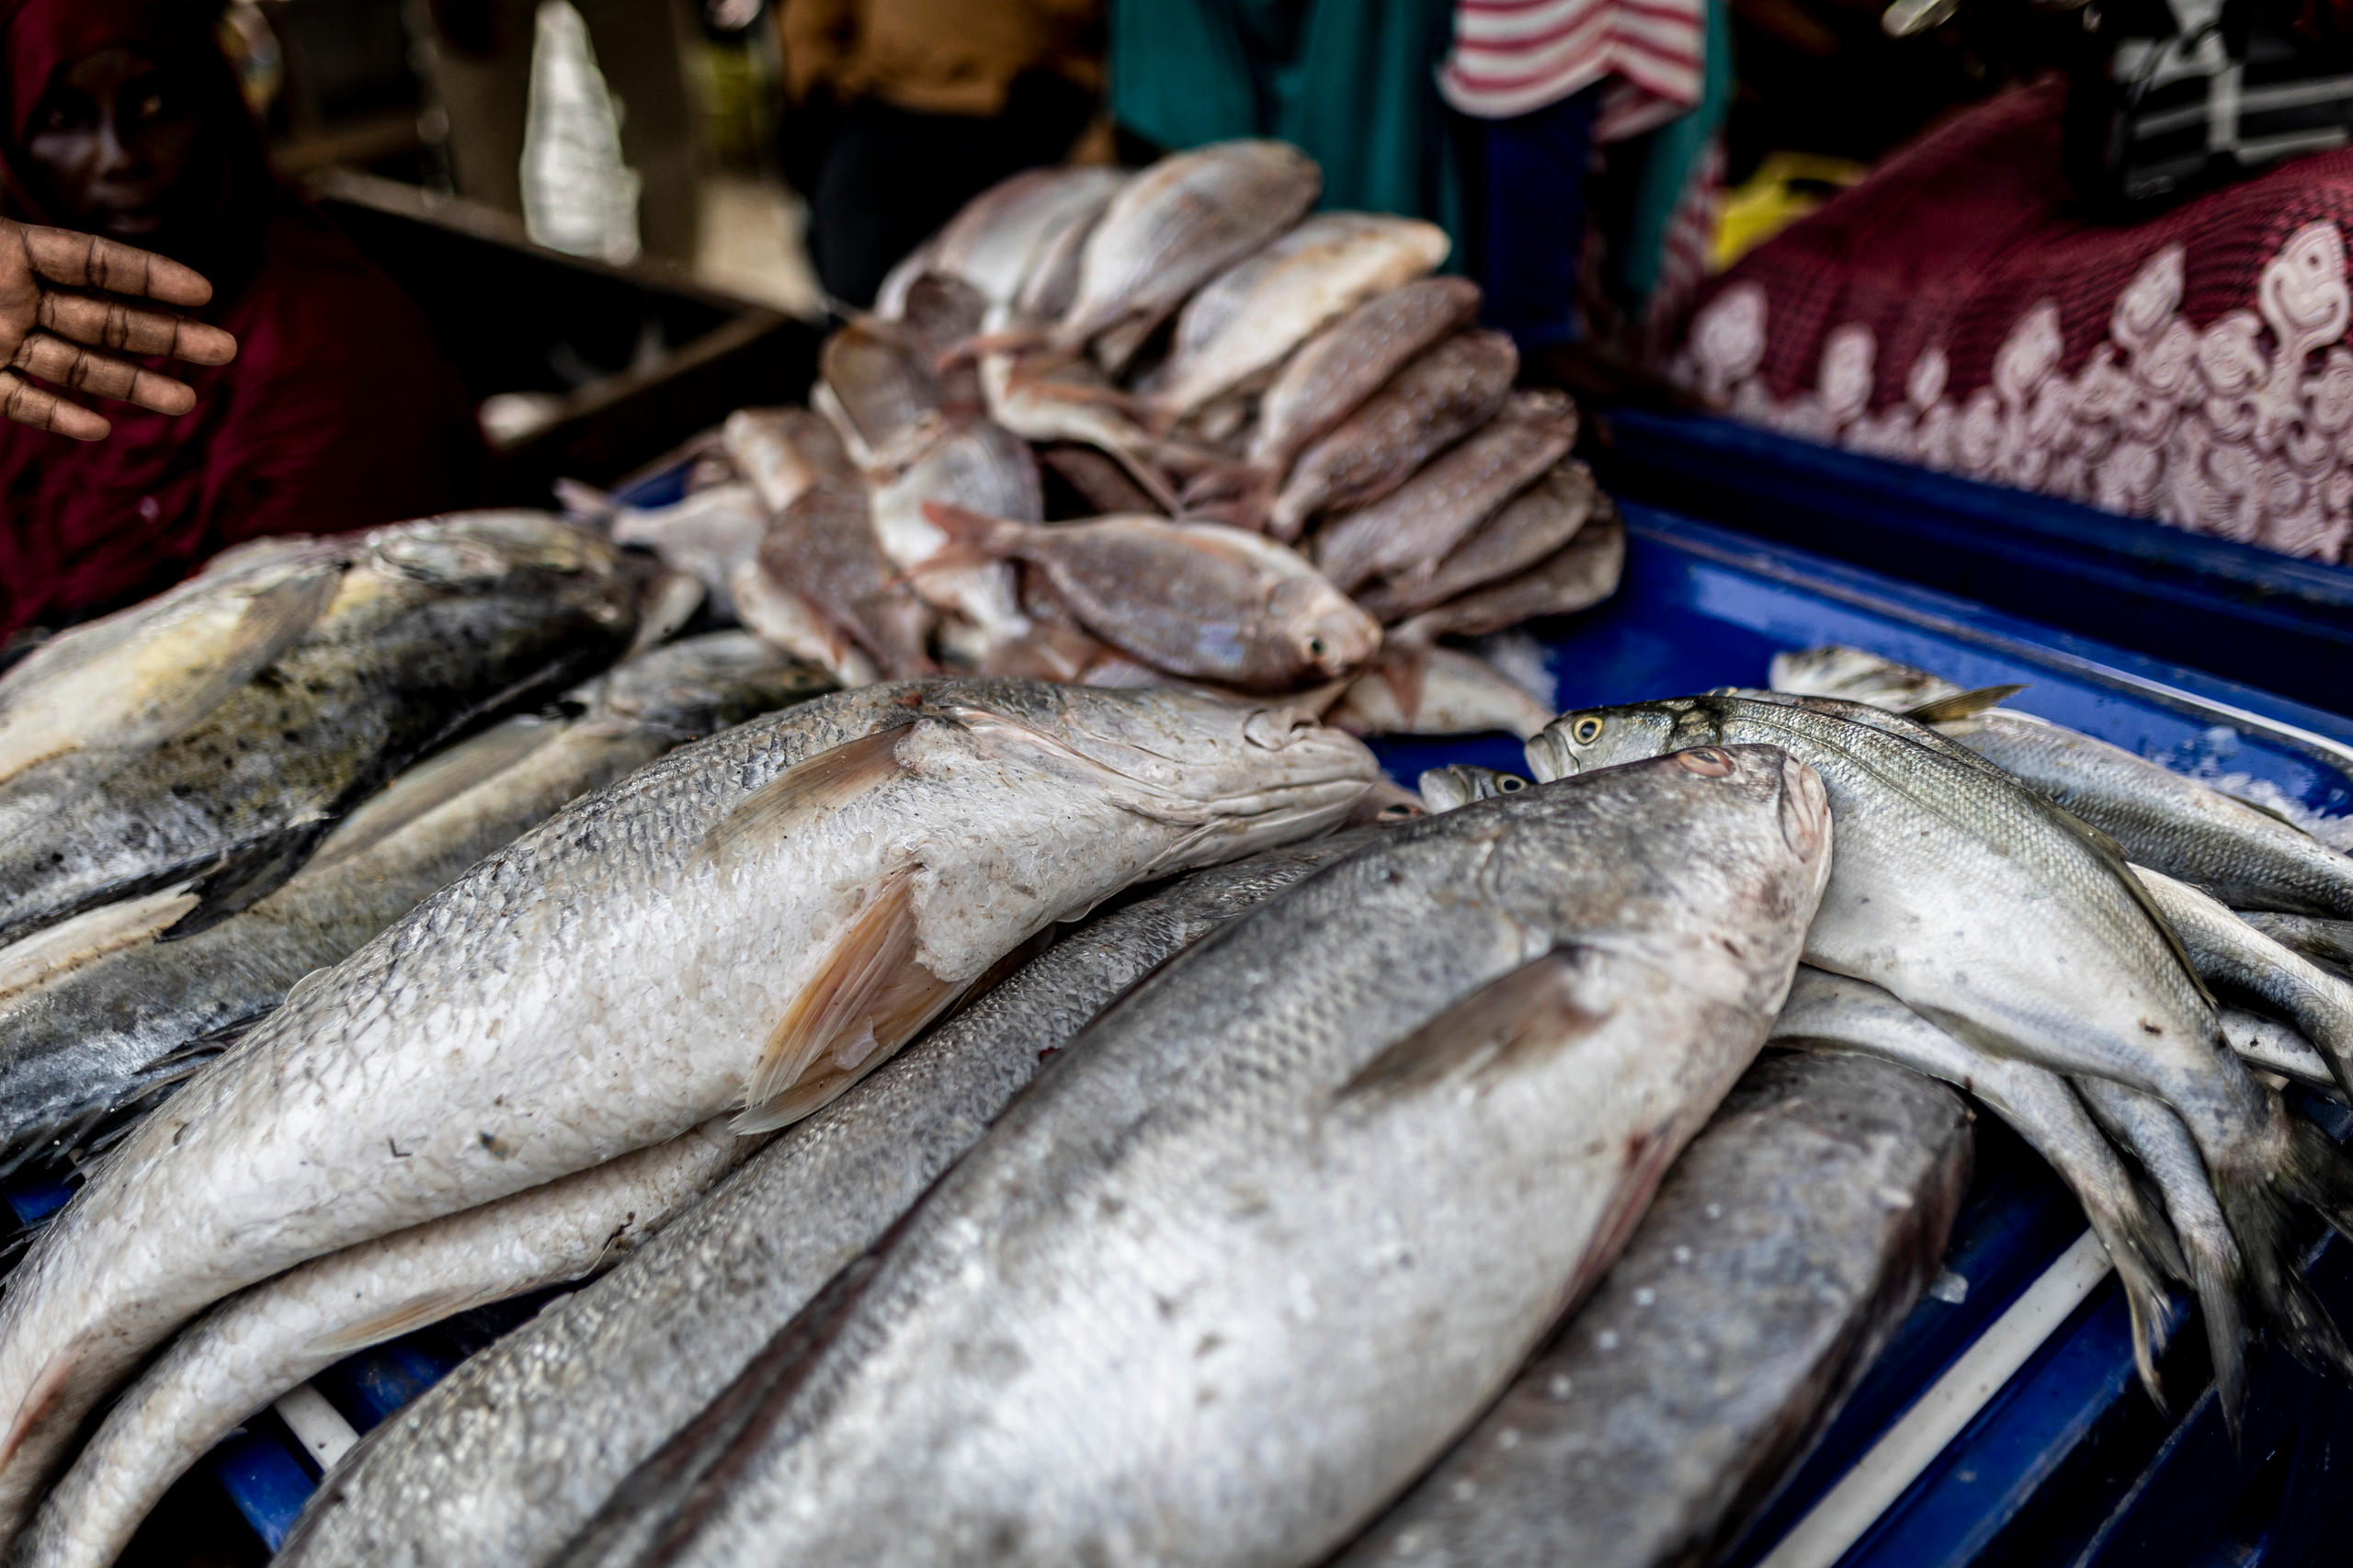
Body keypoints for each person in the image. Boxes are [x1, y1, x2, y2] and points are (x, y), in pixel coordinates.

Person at [0, 0, 484, 644]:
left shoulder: (323, 339)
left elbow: (341, 641)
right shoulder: (24, 332)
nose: (118, 158)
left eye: (154, 106)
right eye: (64, 118)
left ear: (215, 107)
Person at [779, 0, 1107, 308]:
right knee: (856, 284)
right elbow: (811, 27)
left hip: (1035, 105)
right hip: (895, 101)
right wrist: (826, 92)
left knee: (1029, 292)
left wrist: (1097, 129)